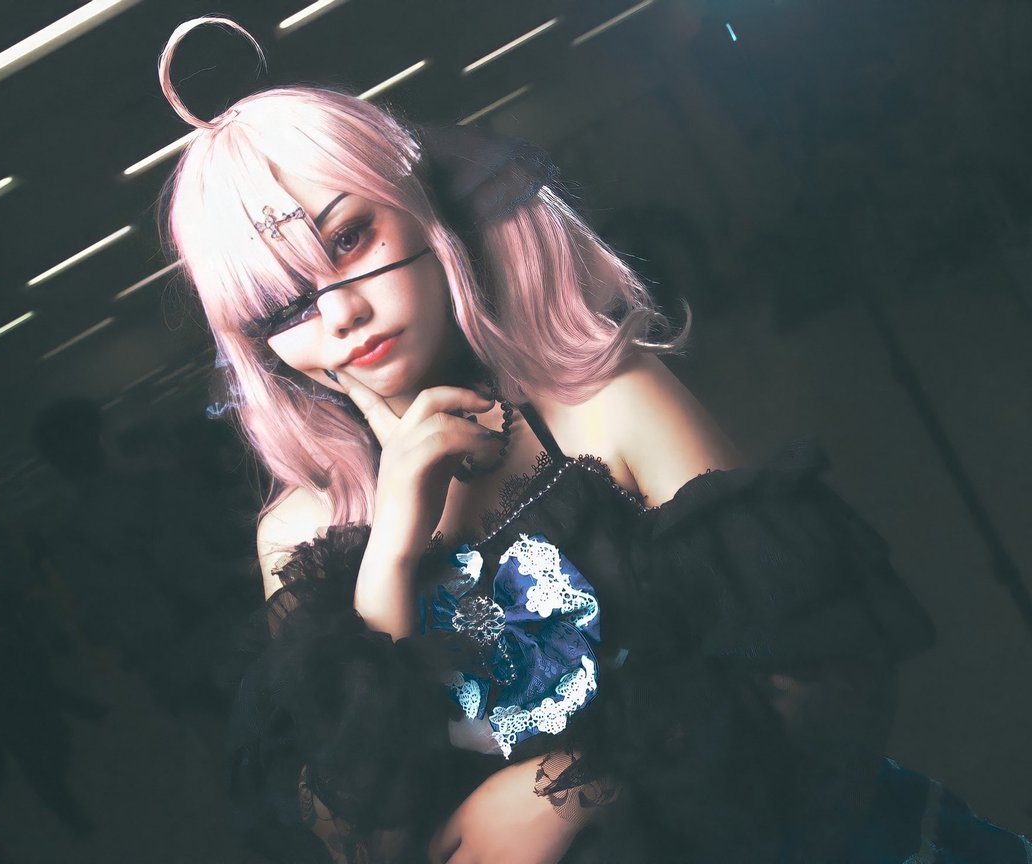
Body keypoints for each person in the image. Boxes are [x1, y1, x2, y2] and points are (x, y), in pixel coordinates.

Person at [156, 17, 1032, 864]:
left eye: (349, 239)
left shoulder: (607, 404)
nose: (340, 314)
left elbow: (819, 686)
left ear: (420, 206)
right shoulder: (300, 534)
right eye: (284, 306)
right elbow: (364, 840)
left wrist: (577, 786)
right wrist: (388, 553)